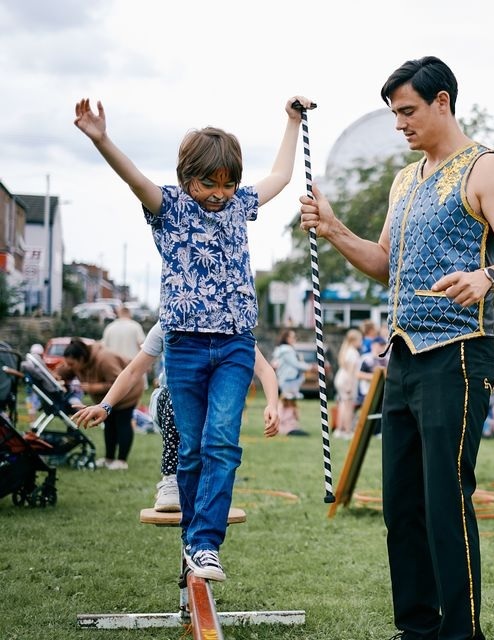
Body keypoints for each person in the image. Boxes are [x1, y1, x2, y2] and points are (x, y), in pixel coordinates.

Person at [298, 56, 494, 640]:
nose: (399, 124)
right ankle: (416, 630)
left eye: (407, 111)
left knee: (444, 503)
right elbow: (387, 265)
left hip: (458, 353)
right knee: (401, 507)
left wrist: (487, 276)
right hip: (400, 358)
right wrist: (333, 230)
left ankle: (461, 633)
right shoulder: (404, 180)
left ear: (443, 102)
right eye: (394, 114)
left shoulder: (489, 169)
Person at [75, 92, 312, 581]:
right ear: (188, 178)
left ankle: (205, 545)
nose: (219, 193)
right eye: (209, 182)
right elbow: (133, 177)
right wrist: (102, 139)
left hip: (233, 345)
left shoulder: (239, 207)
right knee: (191, 449)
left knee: (222, 442)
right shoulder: (171, 208)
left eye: (228, 183)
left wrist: (291, 121)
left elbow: (282, 177)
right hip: (183, 346)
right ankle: (193, 542)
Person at [72, 323, 280, 511]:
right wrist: (106, 405)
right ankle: (171, 477)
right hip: (174, 402)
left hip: (210, 403)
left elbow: (263, 369)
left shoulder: (228, 322)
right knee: (174, 397)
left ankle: (211, 483)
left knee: (219, 430)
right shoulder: (167, 324)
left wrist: (272, 404)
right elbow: (133, 371)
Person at [57, 338, 143, 470]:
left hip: (128, 392)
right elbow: (64, 372)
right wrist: (58, 374)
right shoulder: (78, 363)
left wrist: (92, 388)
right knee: (109, 425)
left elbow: (117, 383)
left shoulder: (105, 359)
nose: (69, 367)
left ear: (81, 358)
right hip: (105, 400)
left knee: (122, 423)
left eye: (71, 364)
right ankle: (109, 459)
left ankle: (121, 461)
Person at [271, 329, 313, 436]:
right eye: (293, 337)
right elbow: (295, 364)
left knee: (289, 402)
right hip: (289, 380)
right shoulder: (286, 351)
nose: (295, 339)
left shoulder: (284, 350)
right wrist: (310, 367)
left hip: (289, 379)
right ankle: (283, 425)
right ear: (287, 338)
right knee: (287, 402)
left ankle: (288, 424)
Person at [334, 328, 363, 439]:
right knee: (348, 406)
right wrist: (349, 386)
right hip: (347, 380)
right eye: (360, 340)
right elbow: (351, 371)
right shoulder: (353, 353)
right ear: (354, 340)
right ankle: (347, 431)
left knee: (343, 404)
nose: (361, 342)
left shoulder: (346, 350)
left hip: (340, 378)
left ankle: (339, 429)